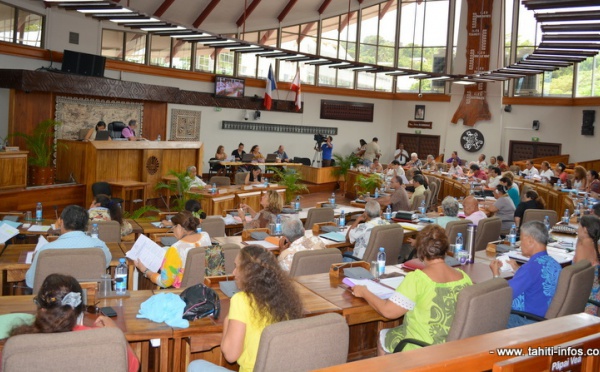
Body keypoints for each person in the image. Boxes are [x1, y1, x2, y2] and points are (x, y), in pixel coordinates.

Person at [352, 224, 472, 353]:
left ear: (419, 251)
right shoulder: (464, 277)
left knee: (384, 335)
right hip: (453, 345)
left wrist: (364, 292)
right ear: (445, 249)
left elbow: (389, 312)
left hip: (421, 347)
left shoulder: (418, 279)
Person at [188, 245, 303, 372]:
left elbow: (230, 356)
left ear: (249, 272)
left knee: (195, 366)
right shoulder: (287, 297)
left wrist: (229, 318)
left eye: (237, 267)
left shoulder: (241, 300)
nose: (234, 272)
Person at [9, 274, 139, 372]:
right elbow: (132, 366)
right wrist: (116, 333)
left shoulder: (16, 346)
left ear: (41, 309)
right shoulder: (108, 340)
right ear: (79, 310)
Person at [490, 221, 561, 328]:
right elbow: (537, 280)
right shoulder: (555, 264)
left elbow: (503, 296)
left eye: (521, 240)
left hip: (525, 321)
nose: (520, 244)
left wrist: (496, 275)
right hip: (544, 319)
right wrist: (518, 270)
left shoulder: (530, 268)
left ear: (530, 241)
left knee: (486, 312)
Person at [25, 205, 111, 288]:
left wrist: (35, 260)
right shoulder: (100, 246)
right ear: (86, 224)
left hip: (54, 299)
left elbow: (31, 282)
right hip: (90, 298)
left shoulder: (45, 251)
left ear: (61, 222)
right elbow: (104, 264)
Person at [134, 211, 210, 288]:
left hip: (180, 292)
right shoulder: (205, 236)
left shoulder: (175, 249)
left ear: (179, 227)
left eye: (173, 227)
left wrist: (145, 270)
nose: (173, 231)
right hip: (204, 287)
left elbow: (164, 282)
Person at [573, 216, 600, 316]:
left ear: (584, 229)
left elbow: (575, 273)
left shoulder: (582, 246)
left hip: (583, 301)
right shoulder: (596, 244)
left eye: (579, 226)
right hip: (595, 298)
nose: (577, 229)